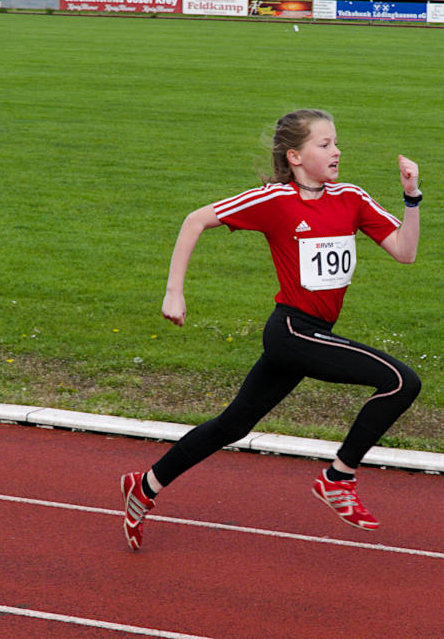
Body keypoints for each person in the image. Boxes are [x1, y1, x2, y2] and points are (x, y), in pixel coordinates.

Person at [120, 109, 423, 551]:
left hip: (312, 333)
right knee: (400, 381)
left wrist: (411, 198)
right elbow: (194, 221)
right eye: (325, 145)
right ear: (296, 156)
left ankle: (144, 485)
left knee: (233, 424)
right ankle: (338, 478)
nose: (336, 151)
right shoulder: (275, 200)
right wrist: (174, 292)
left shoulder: (351, 198)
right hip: (291, 332)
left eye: (336, 142)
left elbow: (405, 252)